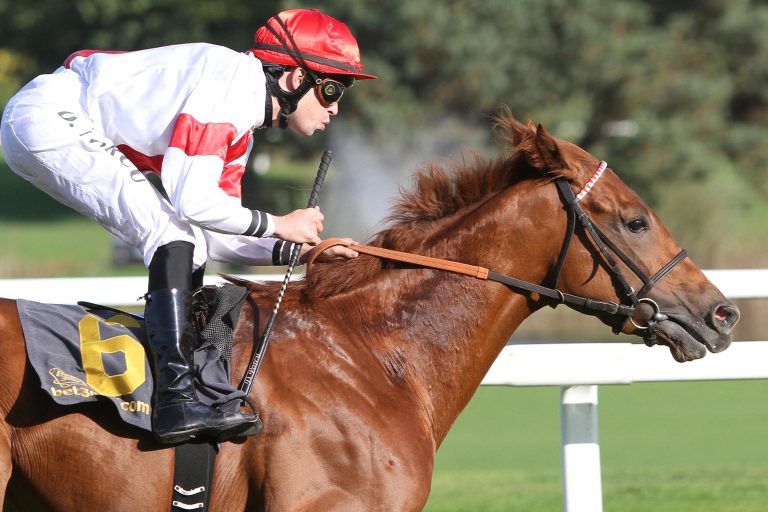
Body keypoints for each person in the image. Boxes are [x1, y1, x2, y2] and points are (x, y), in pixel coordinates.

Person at [0, 8, 374, 444]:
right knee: (171, 233)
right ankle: (176, 399)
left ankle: (187, 388)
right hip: (48, 116)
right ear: (294, 78)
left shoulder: (242, 120)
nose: (335, 107)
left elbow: (217, 237)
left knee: (186, 241)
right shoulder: (230, 87)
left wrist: (301, 250)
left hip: (53, 118)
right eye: (332, 89)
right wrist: (279, 223)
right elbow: (192, 201)